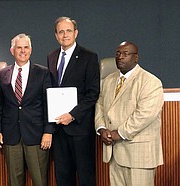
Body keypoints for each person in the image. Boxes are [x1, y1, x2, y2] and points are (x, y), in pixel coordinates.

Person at [95, 41, 164, 186]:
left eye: (125, 54)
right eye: (118, 54)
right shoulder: (108, 80)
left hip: (138, 154)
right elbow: (100, 105)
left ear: (136, 58)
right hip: (114, 153)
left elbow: (144, 115)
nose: (120, 57)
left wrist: (118, 133)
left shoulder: (150, 82)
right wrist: (101, 128)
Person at [0, 33, 53, 186]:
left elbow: (48, 104)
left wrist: (48, 131)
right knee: (14, 181)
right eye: (19, 47)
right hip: (11, 135)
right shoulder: (3, 73)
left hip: (36, 135)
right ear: (12, 50)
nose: (23, 51)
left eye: (26, 47)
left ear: (31, 50)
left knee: (40, 180)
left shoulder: (43, 72)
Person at [47, 17, 100, 186]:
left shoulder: (89, 57)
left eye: (68, 31)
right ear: (56, 35)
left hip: (80, 128)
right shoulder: (51, 56)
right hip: (58, 129)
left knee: (85, 177)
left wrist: (72, 115)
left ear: (76, 33)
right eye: (61, 32)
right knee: (62, 177)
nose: (65, 35)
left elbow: (93, 93)